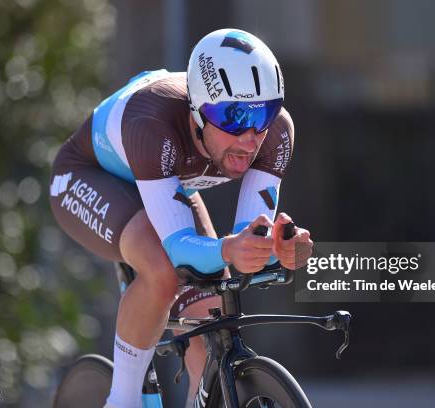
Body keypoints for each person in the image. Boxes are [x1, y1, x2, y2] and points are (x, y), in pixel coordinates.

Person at [48, 28, 313, 408]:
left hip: (166, 186)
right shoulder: (152, 120)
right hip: (88, 177)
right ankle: (121, 402)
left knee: (209, 333)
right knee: (162, 270)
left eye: (265, 114)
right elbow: (180, 251)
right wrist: (230, 250)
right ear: (198, 111)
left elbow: (246, 237)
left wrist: (279, 248)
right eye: (235, 116)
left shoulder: (275, 135)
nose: (251, 139)